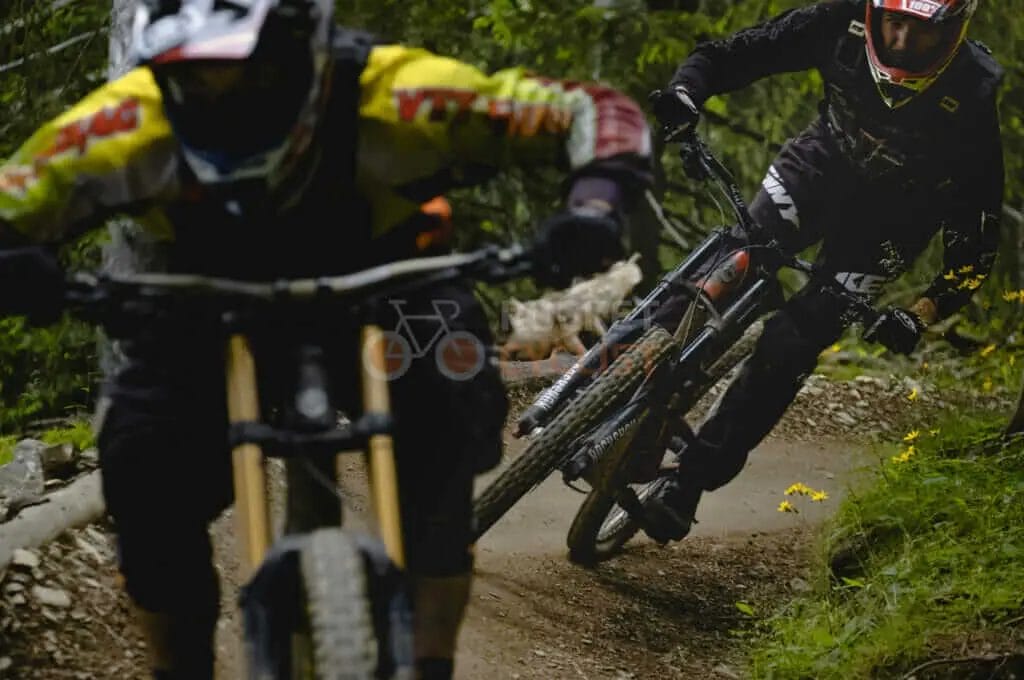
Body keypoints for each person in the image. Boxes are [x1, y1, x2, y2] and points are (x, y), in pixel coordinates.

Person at [0, 1, 652, 677]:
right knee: (144, 468)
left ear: (308, 52)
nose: (221, 99)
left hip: (389, 286)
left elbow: (587, 109)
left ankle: (430, 658)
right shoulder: (129, 119)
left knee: (449, 420)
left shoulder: (396, 91)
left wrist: (595, 206)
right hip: (203, 304)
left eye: (251, 74)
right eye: (192, 79)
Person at [642, 0, 1003, 542]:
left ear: (953, 30)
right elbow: (734, 54)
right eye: (894, 23)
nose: (902, 42)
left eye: (920, 32)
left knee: (792, 343)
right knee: (741, 254)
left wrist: (921, 313)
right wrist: (686, 94)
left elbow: (976, 234)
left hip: (893, 223)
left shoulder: (973, 89)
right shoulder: (840, 20)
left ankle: (688, 482)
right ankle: (634, 366)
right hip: (820, 167)